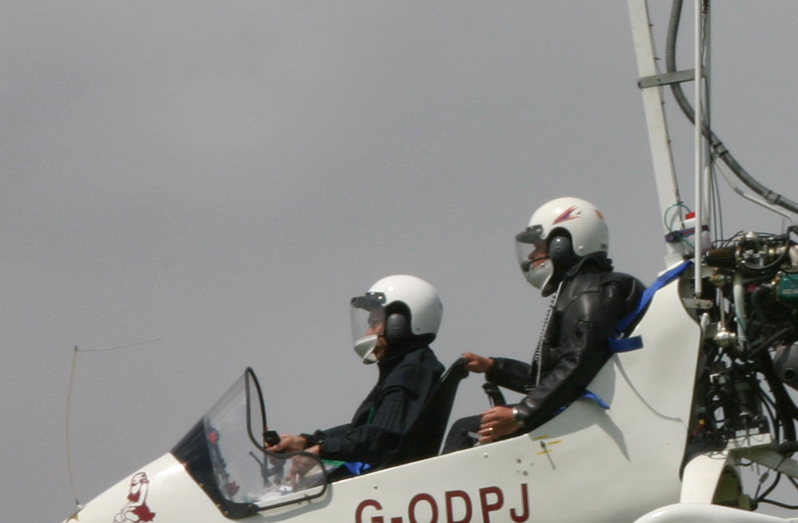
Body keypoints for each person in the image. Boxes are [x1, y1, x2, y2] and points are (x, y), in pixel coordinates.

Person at [447, 198, 645, 449]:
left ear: (562, 244)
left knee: (465, 430)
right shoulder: (581, 289)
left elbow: (579, 362)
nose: (532, 255)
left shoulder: (587, 292)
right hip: (573, 408)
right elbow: (549, 378)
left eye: (539, 246)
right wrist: (493, 367)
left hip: (581, 414)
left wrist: (520, 414)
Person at [270, 274, 445, 475]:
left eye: (374, 322)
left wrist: (322, 450)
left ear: (399, 324)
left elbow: (381, 438)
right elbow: (362, 429)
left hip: (386, 483)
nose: (367, 333)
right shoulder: (404, 367)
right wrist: (307, 441)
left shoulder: (411, 372)